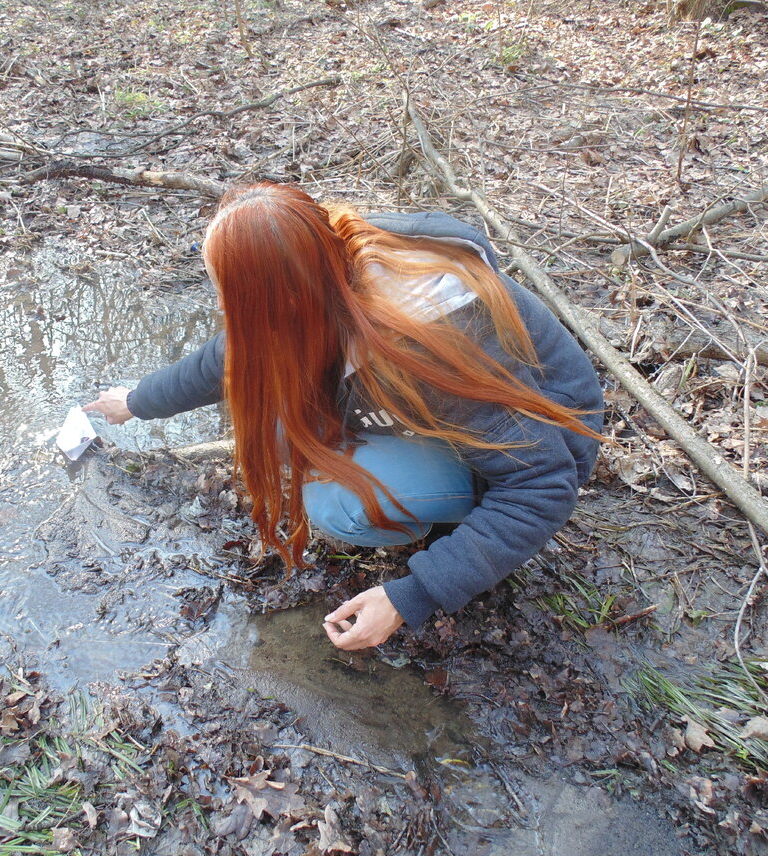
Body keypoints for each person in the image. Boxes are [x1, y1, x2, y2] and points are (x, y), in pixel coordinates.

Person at [85, 183, 603, 651]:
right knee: (284, 429)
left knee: (336, 501)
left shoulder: (426, 338)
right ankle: (436, 504)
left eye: (230, 295)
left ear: (282, 297)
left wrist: (411, 594)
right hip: (460, 421)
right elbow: (233, 354)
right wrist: (135, 402)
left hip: (533, 456)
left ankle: (456, 527)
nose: (222, 304)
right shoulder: (320, 266)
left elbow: (543, 482)